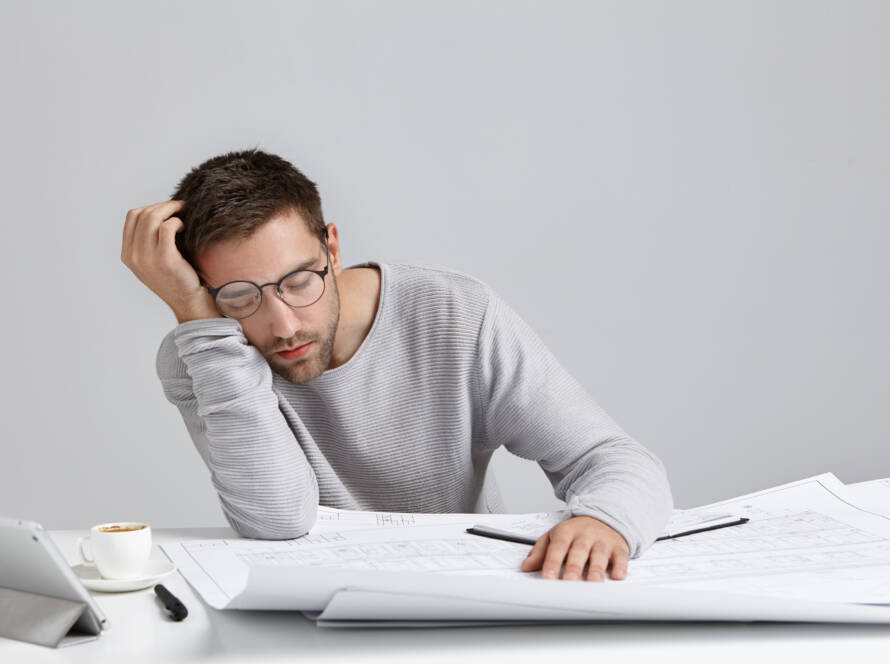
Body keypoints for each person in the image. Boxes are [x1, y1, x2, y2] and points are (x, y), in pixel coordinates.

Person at [121, 148, 673, 583]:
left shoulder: (454, 314)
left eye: (300, 281)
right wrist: (197, 320)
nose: (283, 325)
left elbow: (614, 459)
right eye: (239, 297)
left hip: (468, 595)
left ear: (333, 249)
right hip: (308, 618)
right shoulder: (205, 353)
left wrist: (602, 520)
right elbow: (278, 520)